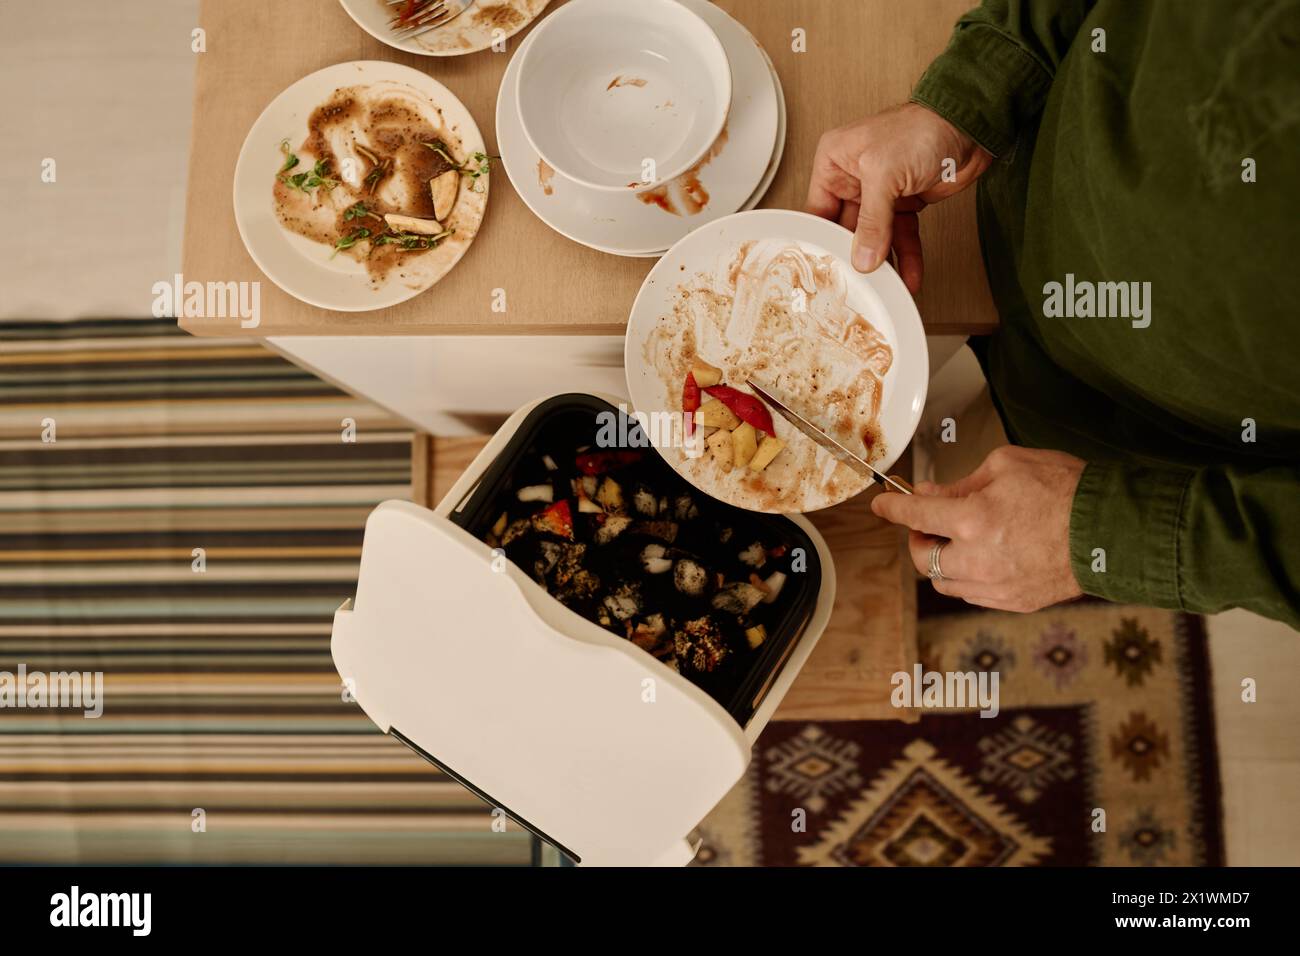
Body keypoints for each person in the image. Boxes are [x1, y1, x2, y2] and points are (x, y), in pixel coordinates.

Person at [805, 0, 1299, 627]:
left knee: (976, 492)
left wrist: (1100, 536)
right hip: (1013, 212)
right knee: (967, 430)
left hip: (1152, 440)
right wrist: (968, 94)